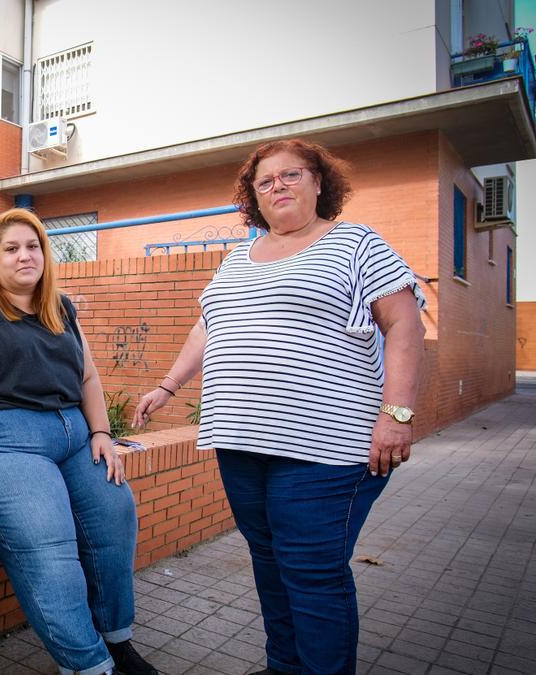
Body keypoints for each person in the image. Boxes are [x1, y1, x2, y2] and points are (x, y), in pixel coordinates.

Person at [135, 139, 426, 675]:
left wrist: (397, 415)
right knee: (269, 564)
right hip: (242, 443)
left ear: (319, 182)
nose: (278, 187)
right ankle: (284, 666)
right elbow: (208, 325)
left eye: (291, 175)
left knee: (312, 572)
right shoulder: (237, 258)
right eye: (265, 182)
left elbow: (404, 325)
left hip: (325, 448)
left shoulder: (355, 243)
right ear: (253, 198)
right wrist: (168, 386)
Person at [0, 208, 158, 675]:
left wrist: (102, 433)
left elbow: (87, 374)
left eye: (32, 247)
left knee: (115, 514)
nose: (23, 256)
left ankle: (116, 640)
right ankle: (88, 664)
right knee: (50, 544)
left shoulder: (59, 306)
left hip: (71, 433)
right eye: (11, 249)